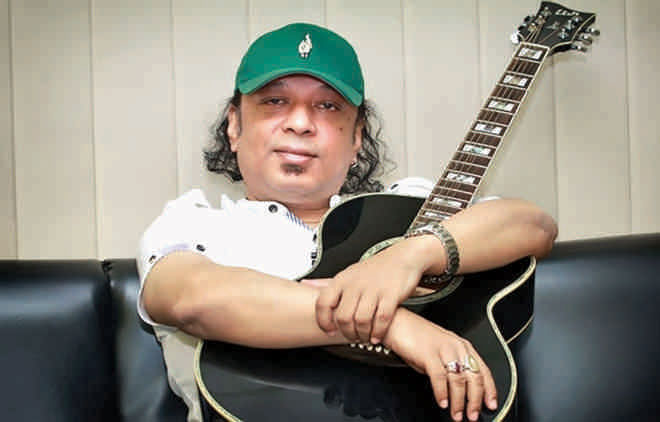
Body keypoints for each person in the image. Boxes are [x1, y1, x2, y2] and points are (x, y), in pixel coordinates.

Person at [137, 22, 557, 422]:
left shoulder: (406, 205)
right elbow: (191, 299)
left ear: (356, 138)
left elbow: (533, 225)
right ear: (234, 125)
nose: (300, 123)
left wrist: (409, 256)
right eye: (274, 101)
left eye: (327, 106)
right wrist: (390, 325)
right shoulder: (194, 222)